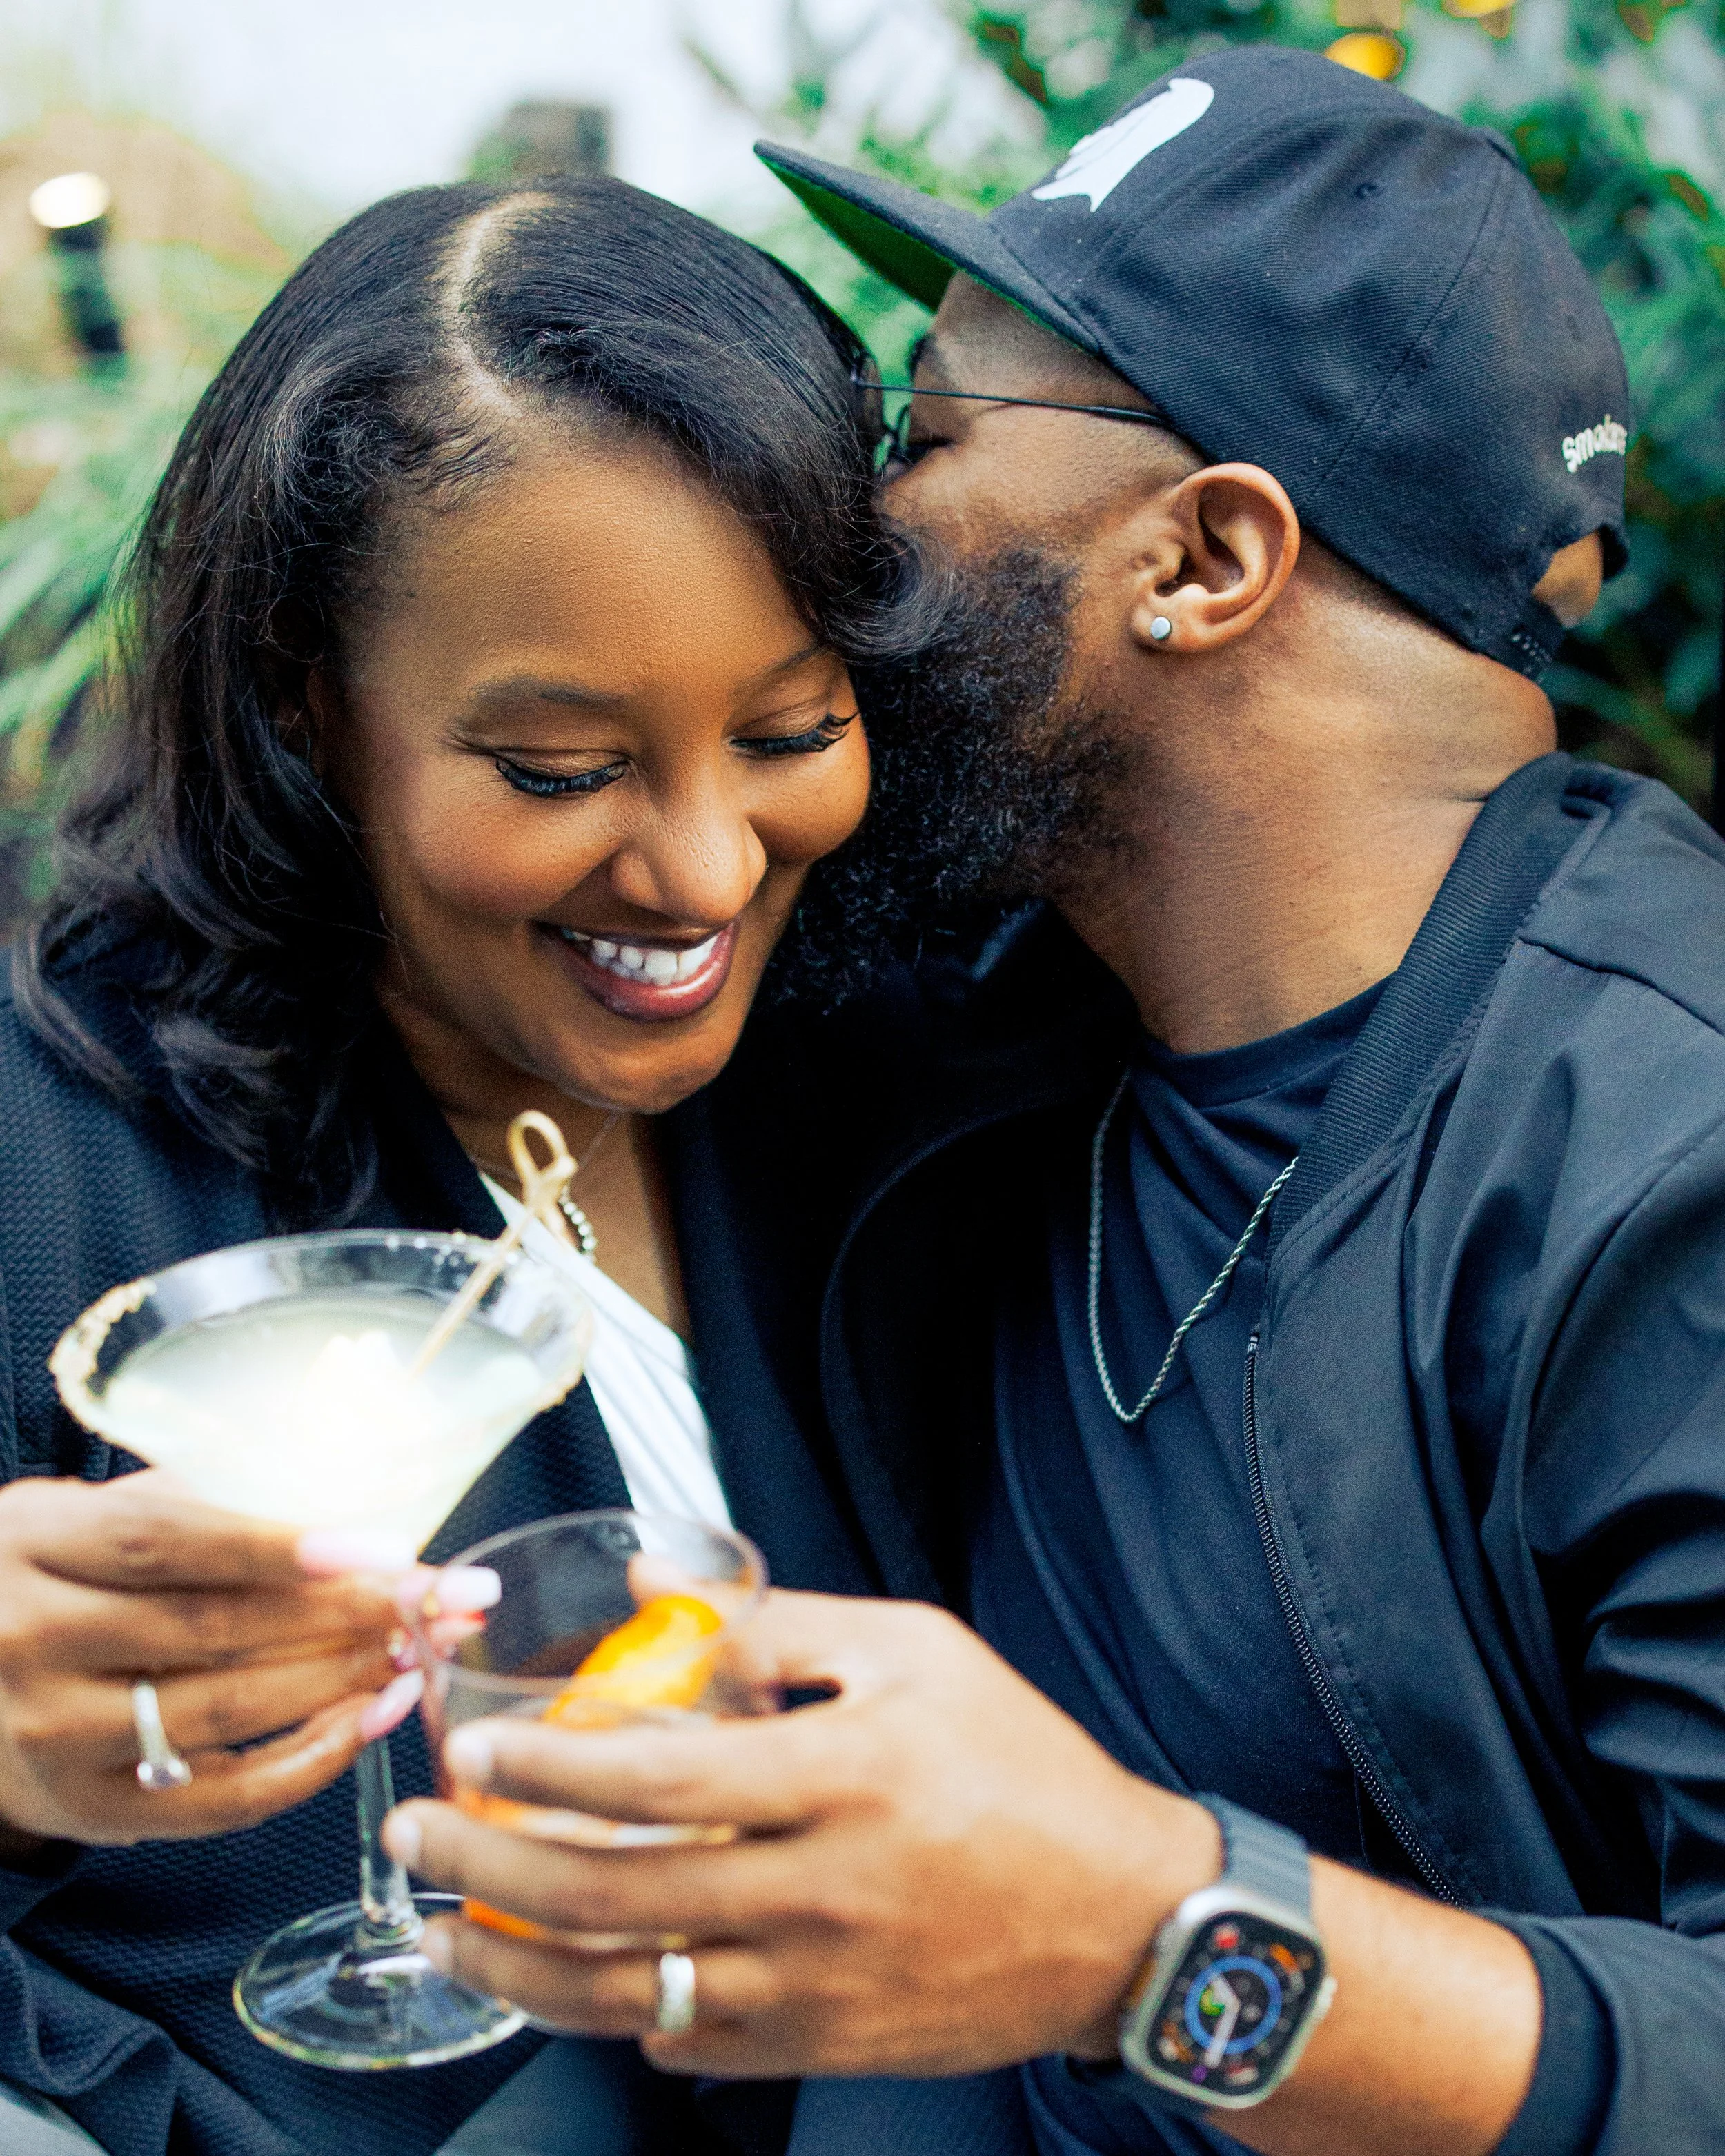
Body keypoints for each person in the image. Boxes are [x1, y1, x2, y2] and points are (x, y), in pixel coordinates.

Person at [383, 45, 1725, 2156]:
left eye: (917, 439)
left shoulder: (1660, 1158)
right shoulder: (977, 1002)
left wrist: (1149, 1941)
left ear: (1198, 560)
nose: (843, 533)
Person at [0, 172, 940, 2156]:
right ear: (300, 700)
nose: (695, 872)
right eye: (555, 769)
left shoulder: (896, 1087)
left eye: (791, 726)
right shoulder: (47, 1133)